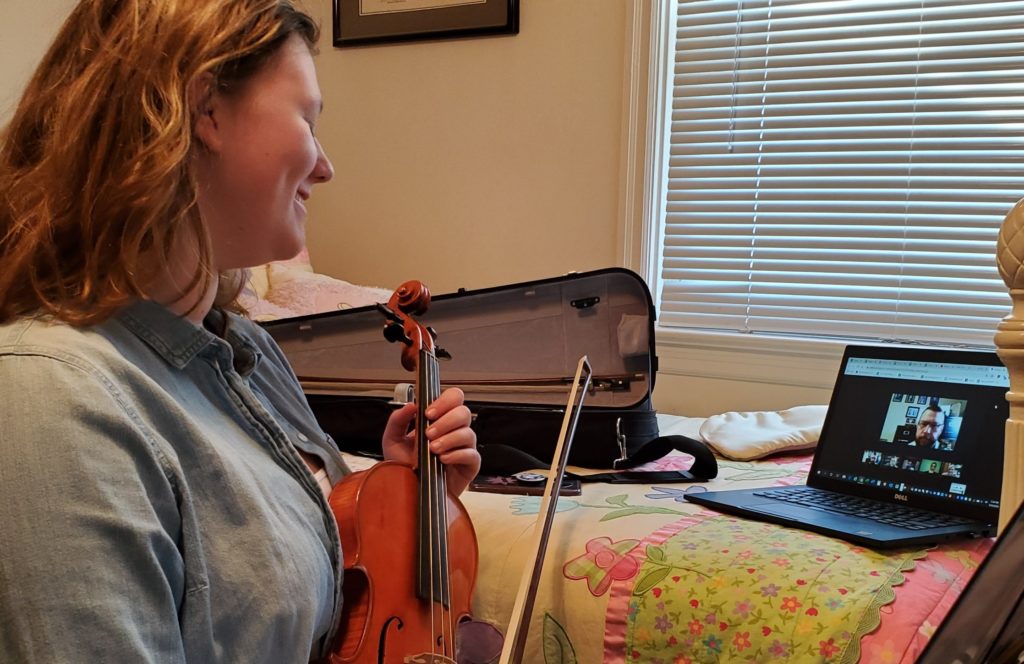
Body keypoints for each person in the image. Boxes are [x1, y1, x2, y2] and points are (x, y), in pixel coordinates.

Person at [0, 2, 479, 662]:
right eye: (307, 119)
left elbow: (327, 603)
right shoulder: (53, 401)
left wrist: (398, 502)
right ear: (205, 110)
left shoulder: (246, 349)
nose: (325, 166)